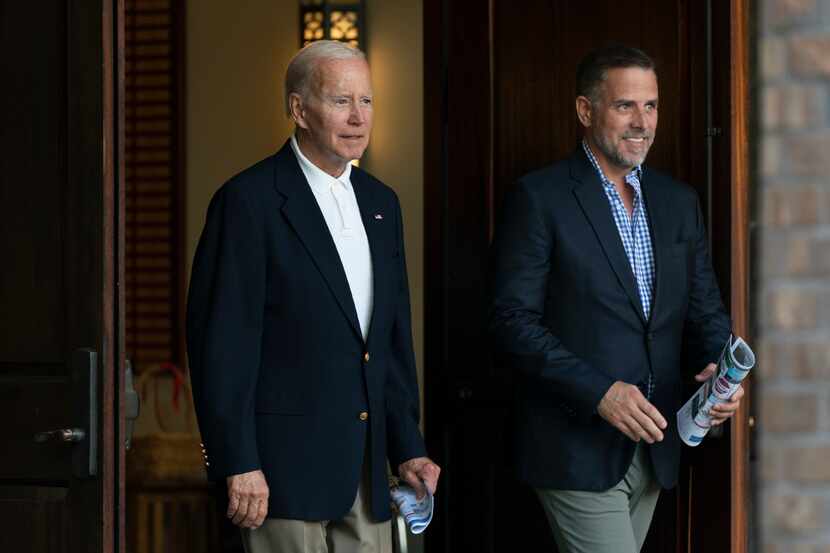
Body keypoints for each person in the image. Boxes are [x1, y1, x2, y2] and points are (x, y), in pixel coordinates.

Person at [488, 44, 744, 553]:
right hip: (574, 447)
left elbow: (705, 310)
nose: (642, 122)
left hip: (654, 448)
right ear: (586, 111)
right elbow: (511, 320)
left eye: (650, 106)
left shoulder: (677, 201)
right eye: (625, 105)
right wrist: (601, 391)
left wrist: (720, 371)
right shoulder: (540, 198)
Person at [186, 40, 440, 553]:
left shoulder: (381, 202)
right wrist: (237, 460)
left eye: (366, 101)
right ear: (299, 109)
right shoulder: (247, 202)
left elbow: (389, 341)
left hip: (366, 473)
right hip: (279, 473)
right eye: (340, 101)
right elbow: (222, 345)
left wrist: (407, 446)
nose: (357, 118)